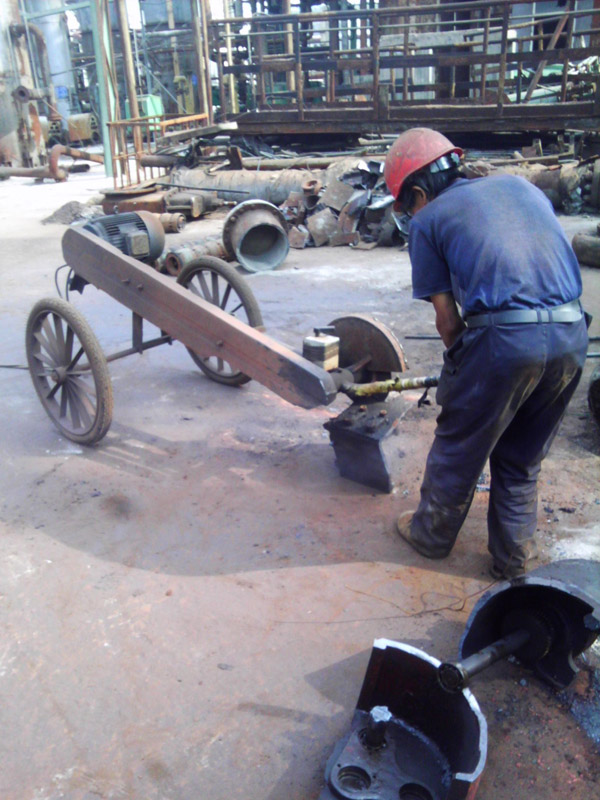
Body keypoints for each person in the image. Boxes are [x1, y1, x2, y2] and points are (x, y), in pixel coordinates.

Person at [384, 127, 589, 579]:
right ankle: (514, 560)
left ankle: (430, 535)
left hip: (506, 342)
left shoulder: (427, 220)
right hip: (572, 334)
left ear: (419, 193)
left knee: (459, 443)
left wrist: (464, 377)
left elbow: (447, 322)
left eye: (407, 205)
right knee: (521, 456)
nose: (410, 215)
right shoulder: (520, 186)